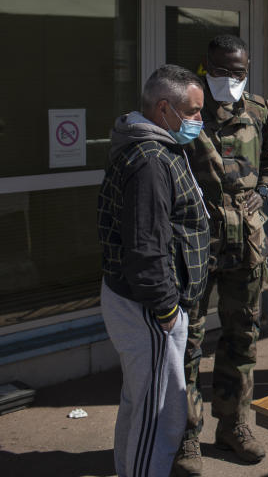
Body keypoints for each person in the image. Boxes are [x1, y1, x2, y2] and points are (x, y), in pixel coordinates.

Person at [174, 35, 268, 476]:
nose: (229, 80)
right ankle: (186, 434)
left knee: (242, 336)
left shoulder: (259, 110)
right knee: (187, 343)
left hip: (248, 244)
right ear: (205, 67)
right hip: (195, 245)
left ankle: (234, 425)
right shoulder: (188, 112)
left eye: (237, 72)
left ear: (248, 69)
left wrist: (262, 190)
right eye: (220, 71)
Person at [97, 64, 209, 477]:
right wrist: (165, 311)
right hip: (149, 308)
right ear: (164, 109)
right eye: (194, 112)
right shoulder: (149, 160)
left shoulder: (159, 147)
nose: (200, 120)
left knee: (140, 402)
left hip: (146, 304)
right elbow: (146, 249)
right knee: (158, 415)